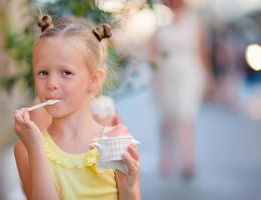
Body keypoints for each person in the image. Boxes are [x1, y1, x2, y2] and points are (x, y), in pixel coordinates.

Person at [13, 15, 140, 199]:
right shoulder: (27, 147)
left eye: (66, 73)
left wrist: (128, 188)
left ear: (94, 80)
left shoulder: (114, 143)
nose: (51, 83)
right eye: (43, 73)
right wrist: (36, 149)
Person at [149, 0, 211, 178]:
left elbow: (202, 51)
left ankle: (187, 160)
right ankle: (167, 156)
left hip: (189, 73)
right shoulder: (161, 20)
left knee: (186, 115)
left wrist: (208, 78)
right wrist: (155, 76)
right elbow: (153, 50)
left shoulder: (195, 21)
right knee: (166, 117)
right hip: (166, 73)